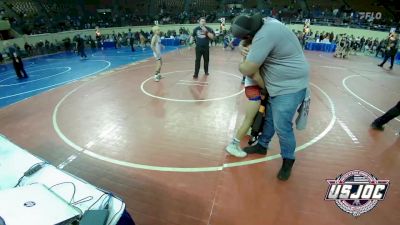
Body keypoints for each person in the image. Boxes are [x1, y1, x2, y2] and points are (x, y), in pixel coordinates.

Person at [231, 14, 310, 181]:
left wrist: (241, 60)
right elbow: (245, 44)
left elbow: (247, 69)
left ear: (250, 34)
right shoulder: (267, 23)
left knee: (282, 125)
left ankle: (288, 160)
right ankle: (262, 145)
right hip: (278, 85)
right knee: (269, 119)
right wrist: (242, 47)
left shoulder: (265, 35)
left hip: (289, 87)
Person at [225, 39, 266, 157]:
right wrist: (266, 89)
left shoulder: (248, 57)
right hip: (253, 89)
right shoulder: (250, 61)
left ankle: (247, 131)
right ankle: (233, 144)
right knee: (248, 119)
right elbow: (257, 78)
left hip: (252, 88)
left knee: (251, 117)